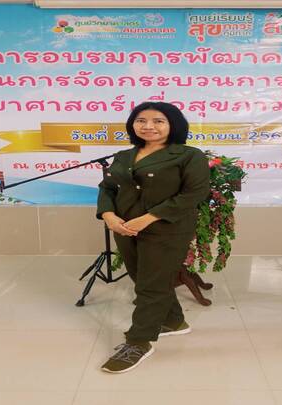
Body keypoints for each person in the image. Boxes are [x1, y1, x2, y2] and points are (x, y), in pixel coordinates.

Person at [96, 102, 210, 373]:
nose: (148, 126)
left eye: (158, 121)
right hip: (125, 228)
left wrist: (148, 218)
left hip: (166, 229)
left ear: (173, 124)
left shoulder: (189, 156)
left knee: (151, 286)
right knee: (142, 277)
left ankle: (138, 342)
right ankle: (174, 321)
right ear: (132, 125)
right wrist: (109, 215)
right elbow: (107, 187)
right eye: (141, 120)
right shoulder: (124, 155)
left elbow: (193, 194)